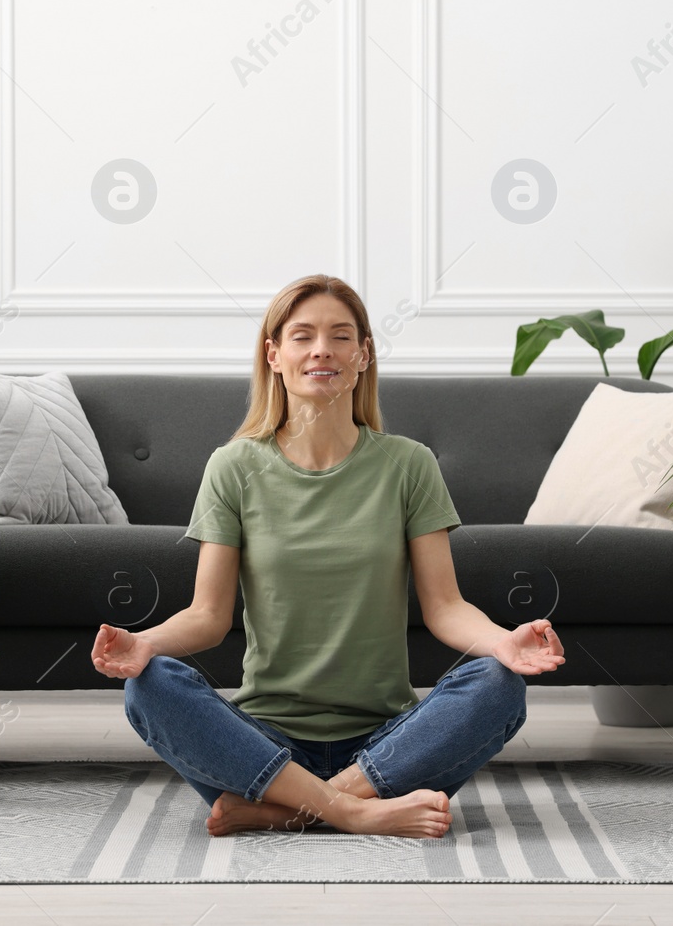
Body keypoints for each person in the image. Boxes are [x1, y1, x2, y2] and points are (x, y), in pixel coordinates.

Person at [92, 274, 565, 839]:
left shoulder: (408, 465)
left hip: (387, 744)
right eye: (303, 336)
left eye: (341, 336)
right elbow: (207, 617)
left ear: (363, 355)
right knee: (150, 684)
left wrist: (502, 642)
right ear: (274, 354)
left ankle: (290, 809)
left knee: (499, 683)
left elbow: (444, 607)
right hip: (264, 748)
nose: (323, 349)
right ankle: (355, 812)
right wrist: (145, 645)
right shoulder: (233, 467)